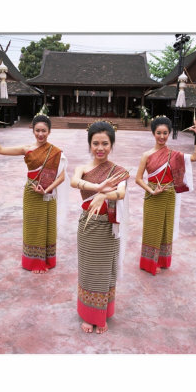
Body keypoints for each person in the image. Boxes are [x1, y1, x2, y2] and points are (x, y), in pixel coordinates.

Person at [0, 113, 68, 273]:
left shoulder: (56, 152)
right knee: (33, 226)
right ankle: (35, 263)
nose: (40, 134)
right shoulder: (27, 149)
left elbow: (62, 176)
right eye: (37, 130)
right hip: (31, 193)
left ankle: (48, 260)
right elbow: (0, 150)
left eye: (44, 131)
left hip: (48, 193)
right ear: (33, 131)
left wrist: (47, 188)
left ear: (49, 131)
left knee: (48, 226)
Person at [71, 121, 129, 334]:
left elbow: (121, 193)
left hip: (108, 228)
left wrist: (105, 194)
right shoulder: (82, 168)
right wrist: (97, 187)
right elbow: (74, 181)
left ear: (111, 145)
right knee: (88, 271)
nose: (100, 148)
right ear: (90, 144)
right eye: (95, 143)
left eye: (105, 143)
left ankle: (101, 313)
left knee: (105, 272)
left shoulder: (118, 171)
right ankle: (88, 315)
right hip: (88, 227)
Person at [135, 115, 196, 275]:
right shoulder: (146, 155)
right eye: (159, 133)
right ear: (153, 133)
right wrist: (151, 191)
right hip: (152, 197)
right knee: (152, 229)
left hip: (169, 195)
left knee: (166, 229)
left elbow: (195, 157)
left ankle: (162, 260)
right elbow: (138, 179)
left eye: (165, 133)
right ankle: (149, 262)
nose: (162, 137)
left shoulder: (174, 155)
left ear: (169, 133)